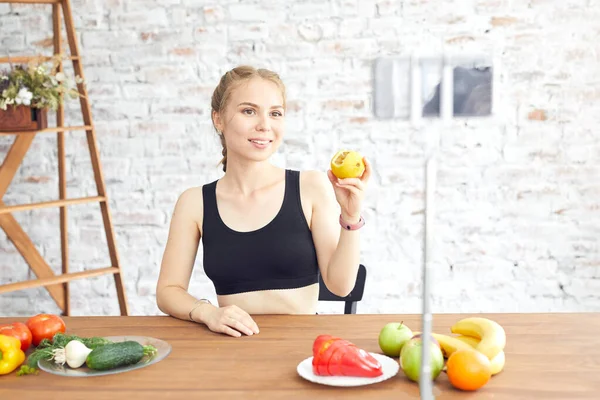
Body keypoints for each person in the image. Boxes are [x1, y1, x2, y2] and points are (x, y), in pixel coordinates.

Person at [156, 65, 372, 338]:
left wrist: (351, 218)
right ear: (218, 119)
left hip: (302, 349)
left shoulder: (310, 187)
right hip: (233, 349)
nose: (264, 125)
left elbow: (341, 286)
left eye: (275, 113)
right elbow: (168, 291)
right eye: (249, 111)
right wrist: (208, 312)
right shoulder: (194, 202)